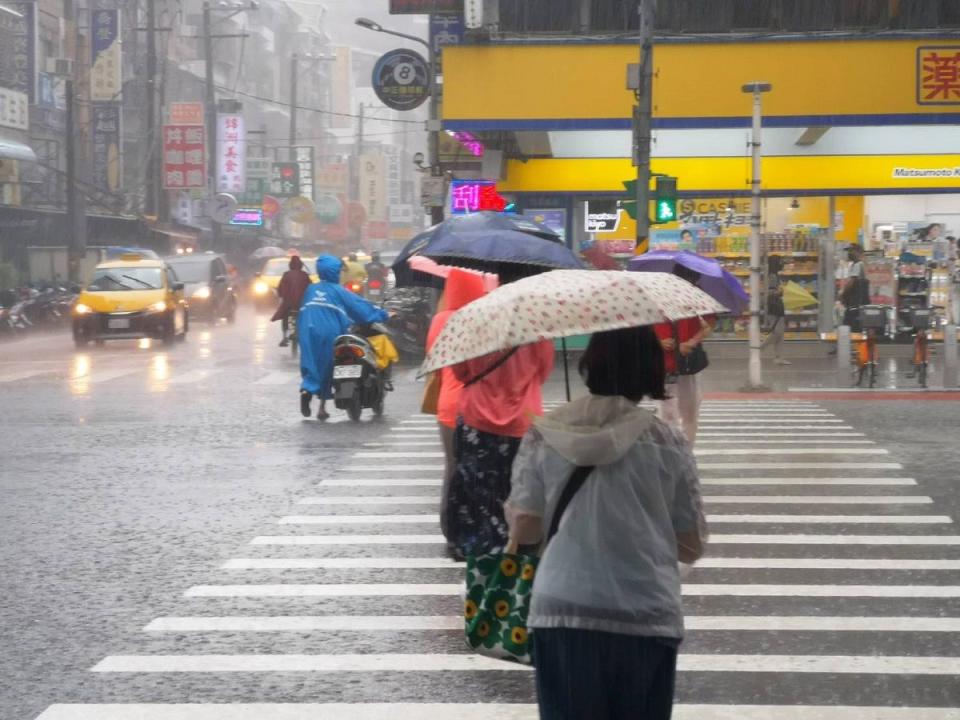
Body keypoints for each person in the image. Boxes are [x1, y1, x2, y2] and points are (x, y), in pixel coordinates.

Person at [505, 325, 707, 720]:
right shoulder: (667, 441)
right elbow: (692, 542)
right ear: (650, 369)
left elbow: (526, 529)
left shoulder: (545, 434)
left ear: (589, 364)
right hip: (646, 613)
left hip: (563, 610)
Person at [447, 336, 554, 558]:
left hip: (477, 419)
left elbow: (460, 373)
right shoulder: (537, 332)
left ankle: (482, 560)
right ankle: (514, 556)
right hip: (523, 421)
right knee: (521, 495)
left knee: (479, 497)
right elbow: (542, 372)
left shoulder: (477, 328)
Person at [425, 270, 487, 551]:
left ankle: (450, 530)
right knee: (477, 470)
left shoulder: (439, 319)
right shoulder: (482, 318)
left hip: (447, 406)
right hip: (476, 405)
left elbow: (433, 360)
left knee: (452, 468)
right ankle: (474, 527)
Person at [298, 255, 388, 420]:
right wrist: (383, 314)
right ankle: (322, 408)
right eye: (338, 270)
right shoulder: (338, 290)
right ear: (333, 272)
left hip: (306, 328)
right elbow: (359, 307)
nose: (340, 273)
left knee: (310, 362)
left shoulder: (311, 289)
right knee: (328, 366)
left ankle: (306, 390)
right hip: (329, 330)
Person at [654, 264, 714, 445]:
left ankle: (687, 452)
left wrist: (691, 342)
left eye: (693, 281)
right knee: (666, 413)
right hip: (665, 365)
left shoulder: (698, 295)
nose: (691, 284)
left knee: (690, 411)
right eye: (688, 280)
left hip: (688, 365)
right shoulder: (658, 295)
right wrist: (658, 342)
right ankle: (669, 453)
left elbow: (709, 324)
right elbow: (644, 326)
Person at [271, 256, 311, 347]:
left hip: (288, 304)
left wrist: (281, 296)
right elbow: (310, 288)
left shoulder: (286, 275)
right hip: (302, 304)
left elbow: (280, 289)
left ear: (290, 265)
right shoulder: (305, 275)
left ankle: (284, 337)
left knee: (284, 315)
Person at [762, 255, 790, 365]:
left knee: (780, 333)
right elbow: (770, 293)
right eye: (780, 262)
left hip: (777, 306)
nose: (782, 265)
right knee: (778, 333)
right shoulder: (772, 277)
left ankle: (779, 358)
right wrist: (781, 291)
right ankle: (761, 347)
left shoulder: (774, 276)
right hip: (775, 307)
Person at [841, 244, 869, 331]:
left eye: (851, 251)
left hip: (855, 303)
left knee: (848, 326)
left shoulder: (858, 264)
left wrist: (843, 294)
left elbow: (851, 283)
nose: (849, 253)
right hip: (859, 303)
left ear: (857, 252)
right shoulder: (859, 264)